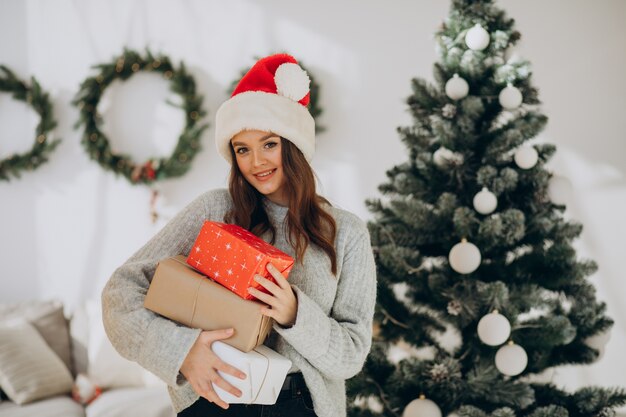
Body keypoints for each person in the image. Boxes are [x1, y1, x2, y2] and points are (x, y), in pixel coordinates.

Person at [102, 53, 377, 417]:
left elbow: (351, 355)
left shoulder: (345, 233)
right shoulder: (215, 210)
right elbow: (119, 293)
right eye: (242, 149)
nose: (256, 162)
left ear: (293, 144)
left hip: (300, 405)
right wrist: (181, 352)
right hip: (215, 398)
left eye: (269, 144)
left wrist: (295, 313)